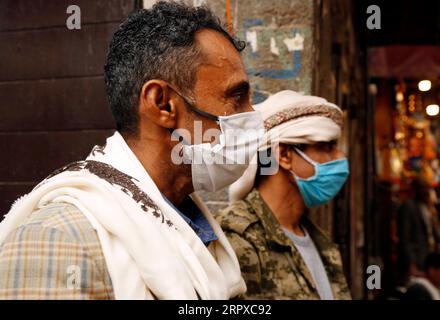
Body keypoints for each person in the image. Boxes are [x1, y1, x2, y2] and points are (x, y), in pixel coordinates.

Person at [0, 2, 265, 299]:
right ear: (162, 104)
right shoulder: (57, 240)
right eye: (237, 97)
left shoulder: (196, 231)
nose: (251, 114)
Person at [216, 90, 351, 299]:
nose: (340, 157)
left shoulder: (320, 241)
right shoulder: (237, 238)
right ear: (285, 155)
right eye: (327, 147)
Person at [397, 177, 437, 277]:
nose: (426, 191)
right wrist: (411, 263)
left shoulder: (426, 206)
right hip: (417, 258)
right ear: (415, 189)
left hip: (427, 255)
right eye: (423, 188)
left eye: (428, 188)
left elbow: (434, 231)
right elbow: (404, 238)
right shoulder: (408, 206)